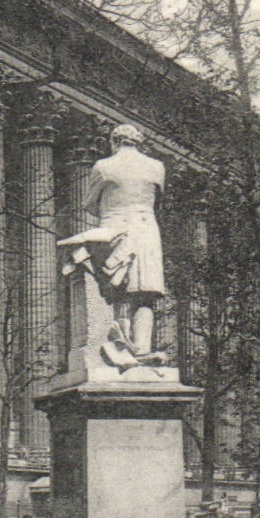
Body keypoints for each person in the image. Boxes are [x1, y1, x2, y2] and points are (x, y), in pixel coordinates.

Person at [56, 122, 167, 367]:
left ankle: (121, 344)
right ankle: (142, 349)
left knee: (117, 290)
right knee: (145, 293)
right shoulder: (157, 167)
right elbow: (157, 200)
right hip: (147, 229)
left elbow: (88, 204)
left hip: (114, 229)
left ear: (114, 142)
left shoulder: (104, 166)